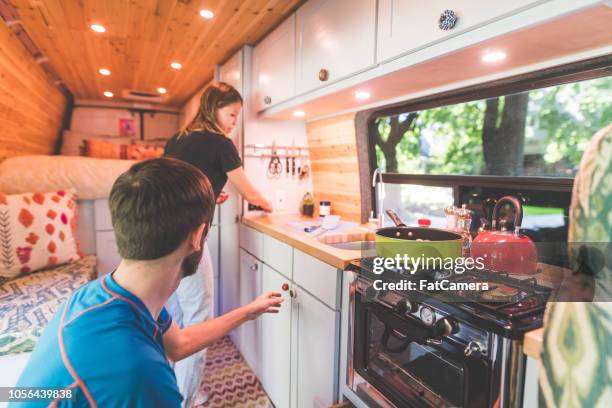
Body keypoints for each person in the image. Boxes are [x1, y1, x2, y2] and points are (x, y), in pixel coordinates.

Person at [11, 157, 283, 407]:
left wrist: (248, 311)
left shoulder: (108, 293)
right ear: (198, 236)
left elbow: (179, 344)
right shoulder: (140, 374)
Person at [163, 81, 272, 406]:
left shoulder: (177, 139)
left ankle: (170, 388)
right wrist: (269, 206)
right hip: (188, 240)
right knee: (199, 318)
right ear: (215, 109)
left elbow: (175, 185)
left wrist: (209, 195)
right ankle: (186, 399)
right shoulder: (221, 144)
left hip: (163, 236)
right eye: (233, 114)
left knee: (175, 318)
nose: (234, 122)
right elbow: (249, 191)